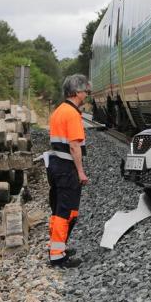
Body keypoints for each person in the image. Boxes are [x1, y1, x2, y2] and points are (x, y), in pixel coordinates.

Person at [45, 74, 91, 268]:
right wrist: (80, 171)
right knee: (67, 211)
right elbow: (74, 146)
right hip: (66, 168)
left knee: (58, 209)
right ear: (77, 92)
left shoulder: (59, 111)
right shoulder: (72, 114)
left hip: (55, 165)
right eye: (85, 91)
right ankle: (57, 256)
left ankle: (57, 246)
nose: (86, 95)